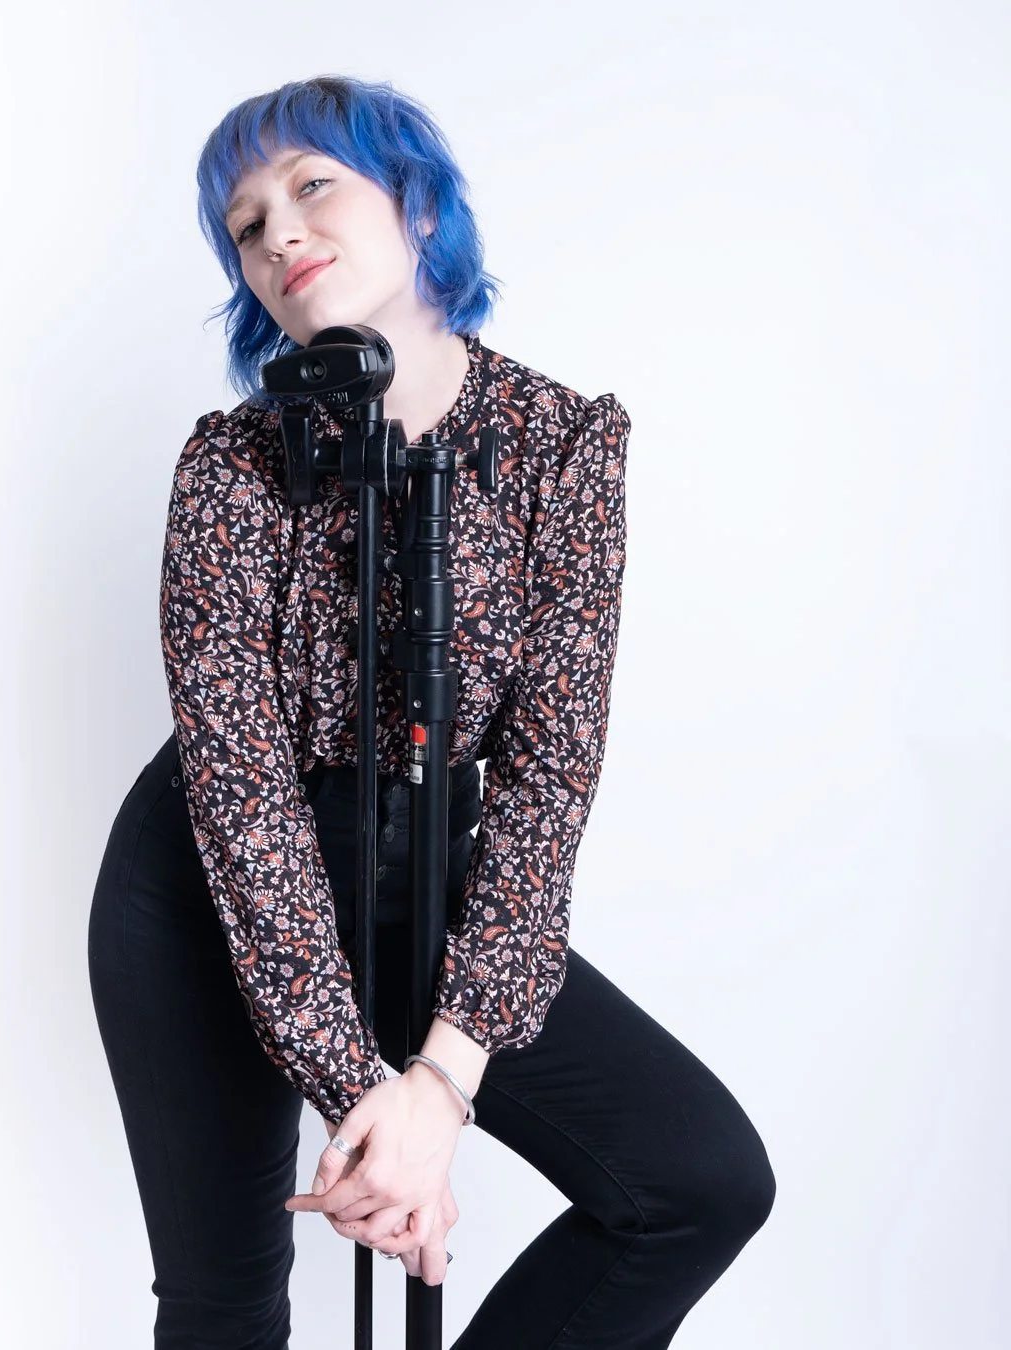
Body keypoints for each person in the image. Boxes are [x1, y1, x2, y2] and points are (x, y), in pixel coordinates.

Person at [88, 74, 776, 1349]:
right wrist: (368, 1103)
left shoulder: (563, 447)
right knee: (228, 1299)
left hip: (430, 866)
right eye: (243, 224)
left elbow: (547, 776)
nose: (276, 233)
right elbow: (240, 796)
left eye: (311, 185)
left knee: (695, 1185)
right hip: (206, 886)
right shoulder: (228, 469)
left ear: (415, 203)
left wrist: (441, 1088)